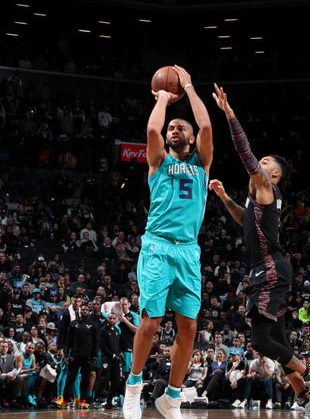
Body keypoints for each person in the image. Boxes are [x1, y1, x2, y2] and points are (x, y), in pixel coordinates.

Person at [208, 83, 310, 407]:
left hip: (270, 268)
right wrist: (223, 197)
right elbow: (242, 219)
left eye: (267, 162)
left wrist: (229, 114)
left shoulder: (266, 187)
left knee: (260, 340)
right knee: (276, 339)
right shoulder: (259, 200)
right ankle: (304, 394)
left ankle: (309, 373)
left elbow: (245, 152)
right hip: (271, 268)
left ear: (274, 175)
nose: (261, 162)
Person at [123, 65, 213, 419]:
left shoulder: (202, 164)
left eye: (181, 127)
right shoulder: (158, 161)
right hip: (158, 246)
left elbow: (206, 126)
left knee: (189, 327)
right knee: (150, 322)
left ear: (190, 139)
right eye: (172, 127)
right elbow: (151, 128)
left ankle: (172, 399)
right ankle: (133, 386)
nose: (174, 129)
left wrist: (189, 86)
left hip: (188, 251)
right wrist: (162, 98)